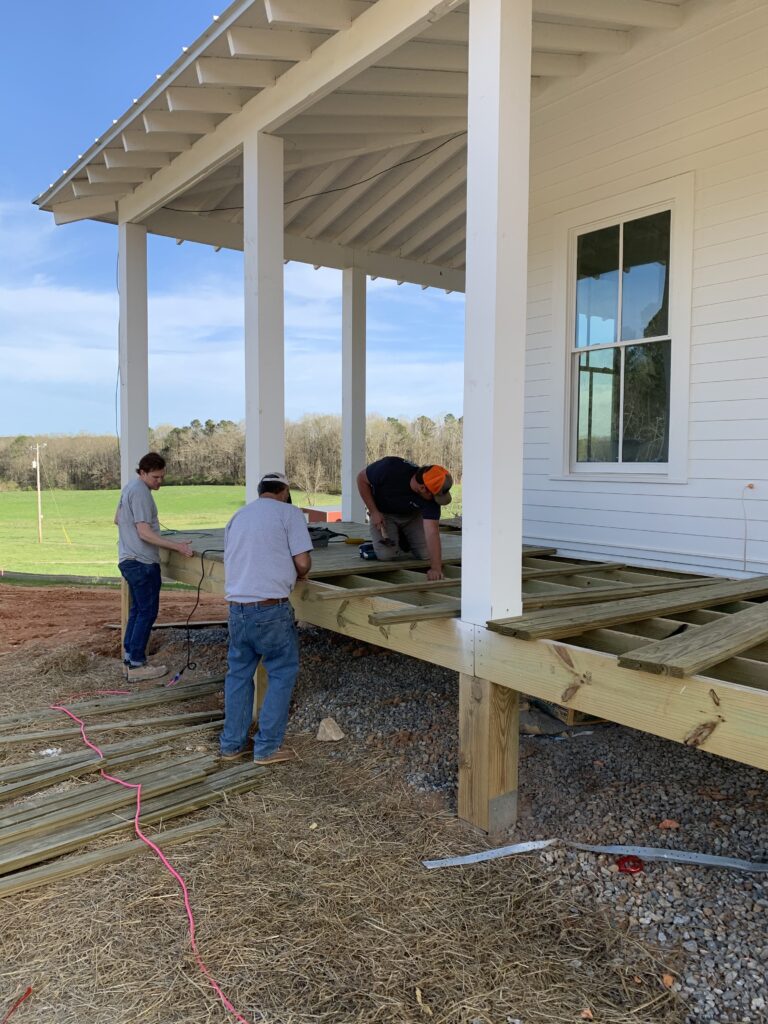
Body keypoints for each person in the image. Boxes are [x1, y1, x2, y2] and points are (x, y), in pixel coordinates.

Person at [219, 472, 312, 766]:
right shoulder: (289, 513)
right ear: (283, 491)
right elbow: (303, 562)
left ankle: (231, 745)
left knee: (238, 674)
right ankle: (267, 749)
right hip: (271, 609)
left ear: (260, 491)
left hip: (237, 608)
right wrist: (298, 573)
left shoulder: (238, 516)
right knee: (282, 672)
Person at [115, 452, 194, 682]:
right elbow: (143, 532)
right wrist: (176, 546)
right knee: (146, 612)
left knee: (138, 611)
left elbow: (117, 519)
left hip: (129, 559)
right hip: (142, 562)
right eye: (155, 477)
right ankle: (137, 665)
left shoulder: (129, 488)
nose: (160, 481)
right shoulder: (141, 492)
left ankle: (130, 660)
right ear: (142, 472)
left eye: (162, 477)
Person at [356, 458, 453, 581]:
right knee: (386, 555)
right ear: (423, 488)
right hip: (384, 514)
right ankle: (382, 544)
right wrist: (374, 511)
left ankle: (402, 540)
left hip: (412, 516)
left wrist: (436, 568)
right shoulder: (389, 469)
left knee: (425, 554)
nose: (435, 499)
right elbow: (361, 479)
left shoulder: (431, 498)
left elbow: (432, 532)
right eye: (435, 495)